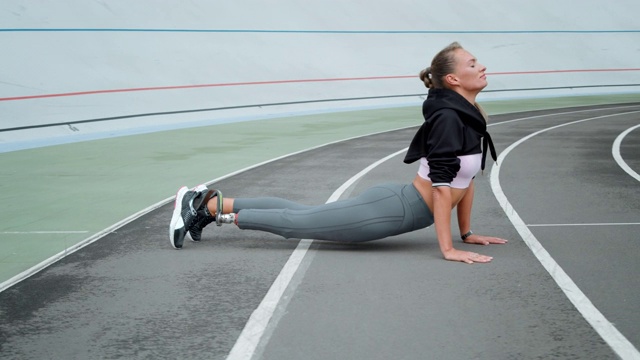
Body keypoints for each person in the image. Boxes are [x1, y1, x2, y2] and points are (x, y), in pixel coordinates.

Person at [169, 42, 508, 264]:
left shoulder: (468, 115)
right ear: (453, 78)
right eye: (473, 63)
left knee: (301, 214)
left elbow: (468, 179)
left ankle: (208, 201)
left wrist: (466, 233)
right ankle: (206, 208)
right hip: (393, 211)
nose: (481, 67)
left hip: (397, 203)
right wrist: (448, 249)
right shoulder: (450, 118)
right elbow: (442, 185)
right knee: (295, 224)